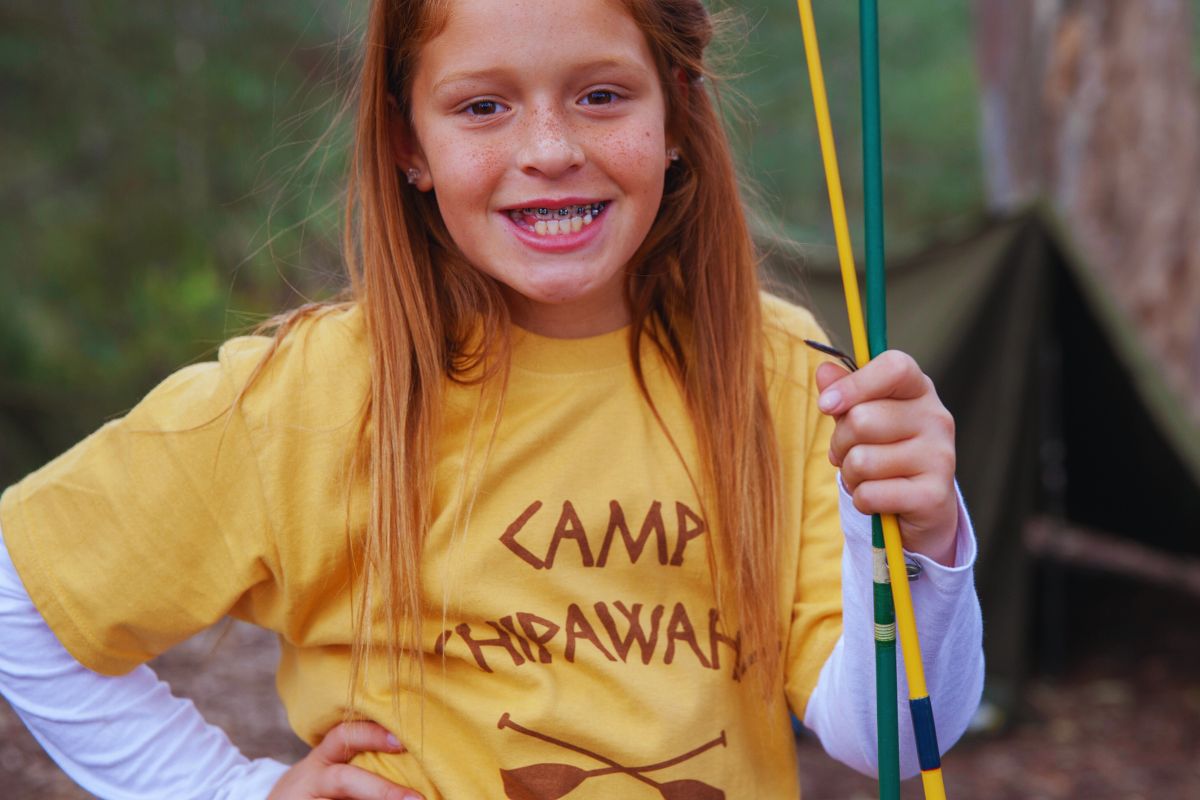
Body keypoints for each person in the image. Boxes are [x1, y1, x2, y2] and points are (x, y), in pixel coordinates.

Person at [0, 0, 983, 798]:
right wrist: (228, 789)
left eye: (601, 94)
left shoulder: (778, 371)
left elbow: (896, 739)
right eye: (483, 107)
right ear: (406, 141)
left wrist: (923, 538)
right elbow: (21, 592)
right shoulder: (316, 391)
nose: (549, 147)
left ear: (678, 114)